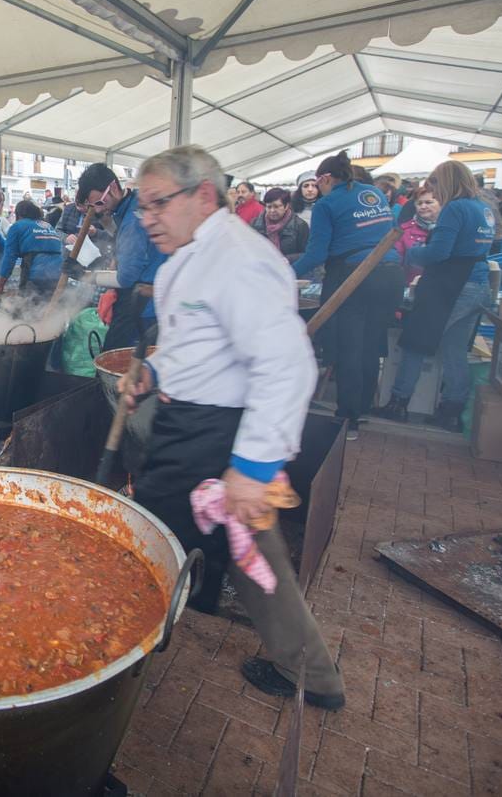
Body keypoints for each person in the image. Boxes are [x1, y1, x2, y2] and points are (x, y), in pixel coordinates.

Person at [125, 144, 345, 710]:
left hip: (220, 435)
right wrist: (153, 369)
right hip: (189, 426)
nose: (147, 219)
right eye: (141, 207)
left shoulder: (240, 259)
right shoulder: (189, 256)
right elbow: (194, 344)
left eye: (157, 204)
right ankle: (311, 673)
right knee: (249, 553)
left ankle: (119, 653)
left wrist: (251, 468)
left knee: (150, 544)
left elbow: (287, 365)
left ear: (203, 195)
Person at [374, 162, 496, 430]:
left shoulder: (455, 208)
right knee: (454, 351)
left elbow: (438, 253)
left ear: (447, 182)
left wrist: (413, 254)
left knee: (416, 342)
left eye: (435, 185)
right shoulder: (482, 207)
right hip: (477, 283)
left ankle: (399, 403)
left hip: (450, 286)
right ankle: (452, 411)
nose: (434, 191)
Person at [292, 151, 404, 441]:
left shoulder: (327, 204)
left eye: (318, 183)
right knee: (371, 343)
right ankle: (362, 408)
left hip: (354, 276)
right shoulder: (373, 193)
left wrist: (287, 272)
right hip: (391, 274)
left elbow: (317, 253)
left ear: (327, 179)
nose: (317, 189)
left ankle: (348, 418)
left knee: (350, 347)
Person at [77, 162, 168, 350]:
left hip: (142, 306)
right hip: (156, 299)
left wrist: (84, 275)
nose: (100, 209)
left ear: (113, 188)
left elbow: (126, 277)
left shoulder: (132, 222)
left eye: (101, 203)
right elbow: (120, 237)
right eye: (94, 206)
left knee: (116, 359)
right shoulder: (134, 203)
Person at [0, 199, 64, 299]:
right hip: (58, 275)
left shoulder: (17, 226)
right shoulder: (47, 226)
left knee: (27, 308)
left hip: (36, 275)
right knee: (49, 308)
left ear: (19, 214)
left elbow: (9, 258)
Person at [250, 188, 309, 262]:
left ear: (286, 206)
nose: (272, 210)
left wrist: (287, 259)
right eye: (269, 207)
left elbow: (307, 254)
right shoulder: (255, 224)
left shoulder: (300, 225)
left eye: (276, 206)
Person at [395, 187, 440, 282]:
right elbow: (397, 263)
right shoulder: (404, 230)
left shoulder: (451, 229)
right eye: (419, 203)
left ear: (441, 203)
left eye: (428, 202)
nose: (423, 206)